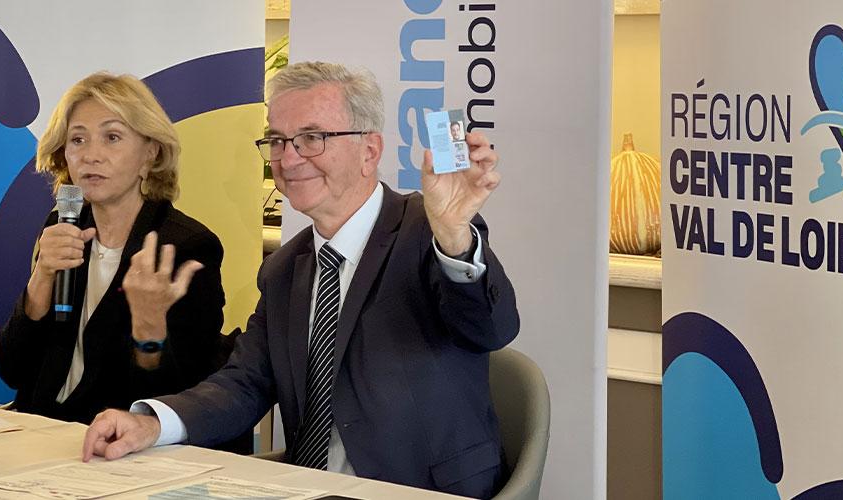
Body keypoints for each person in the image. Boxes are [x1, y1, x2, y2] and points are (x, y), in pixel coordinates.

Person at [82, 62, 518, 498]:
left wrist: (455, 236)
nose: (288, 159)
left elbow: (490, 329)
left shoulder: (429, 230)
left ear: (369, 151)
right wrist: (152, 424)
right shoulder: (284, 269)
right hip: (308, 488)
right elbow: (245, 383)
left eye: (312, 138)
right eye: (277, 141)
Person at [0, 73, 248, 453]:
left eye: (112, 137)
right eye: (78, 140)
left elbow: (174, 404)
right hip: (43, 435)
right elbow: (12, 369)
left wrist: (149, 325)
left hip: (120, 449)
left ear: (151, 153)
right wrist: (41, 278)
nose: (90, 155)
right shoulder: (62, 228)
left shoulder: (185, 247)